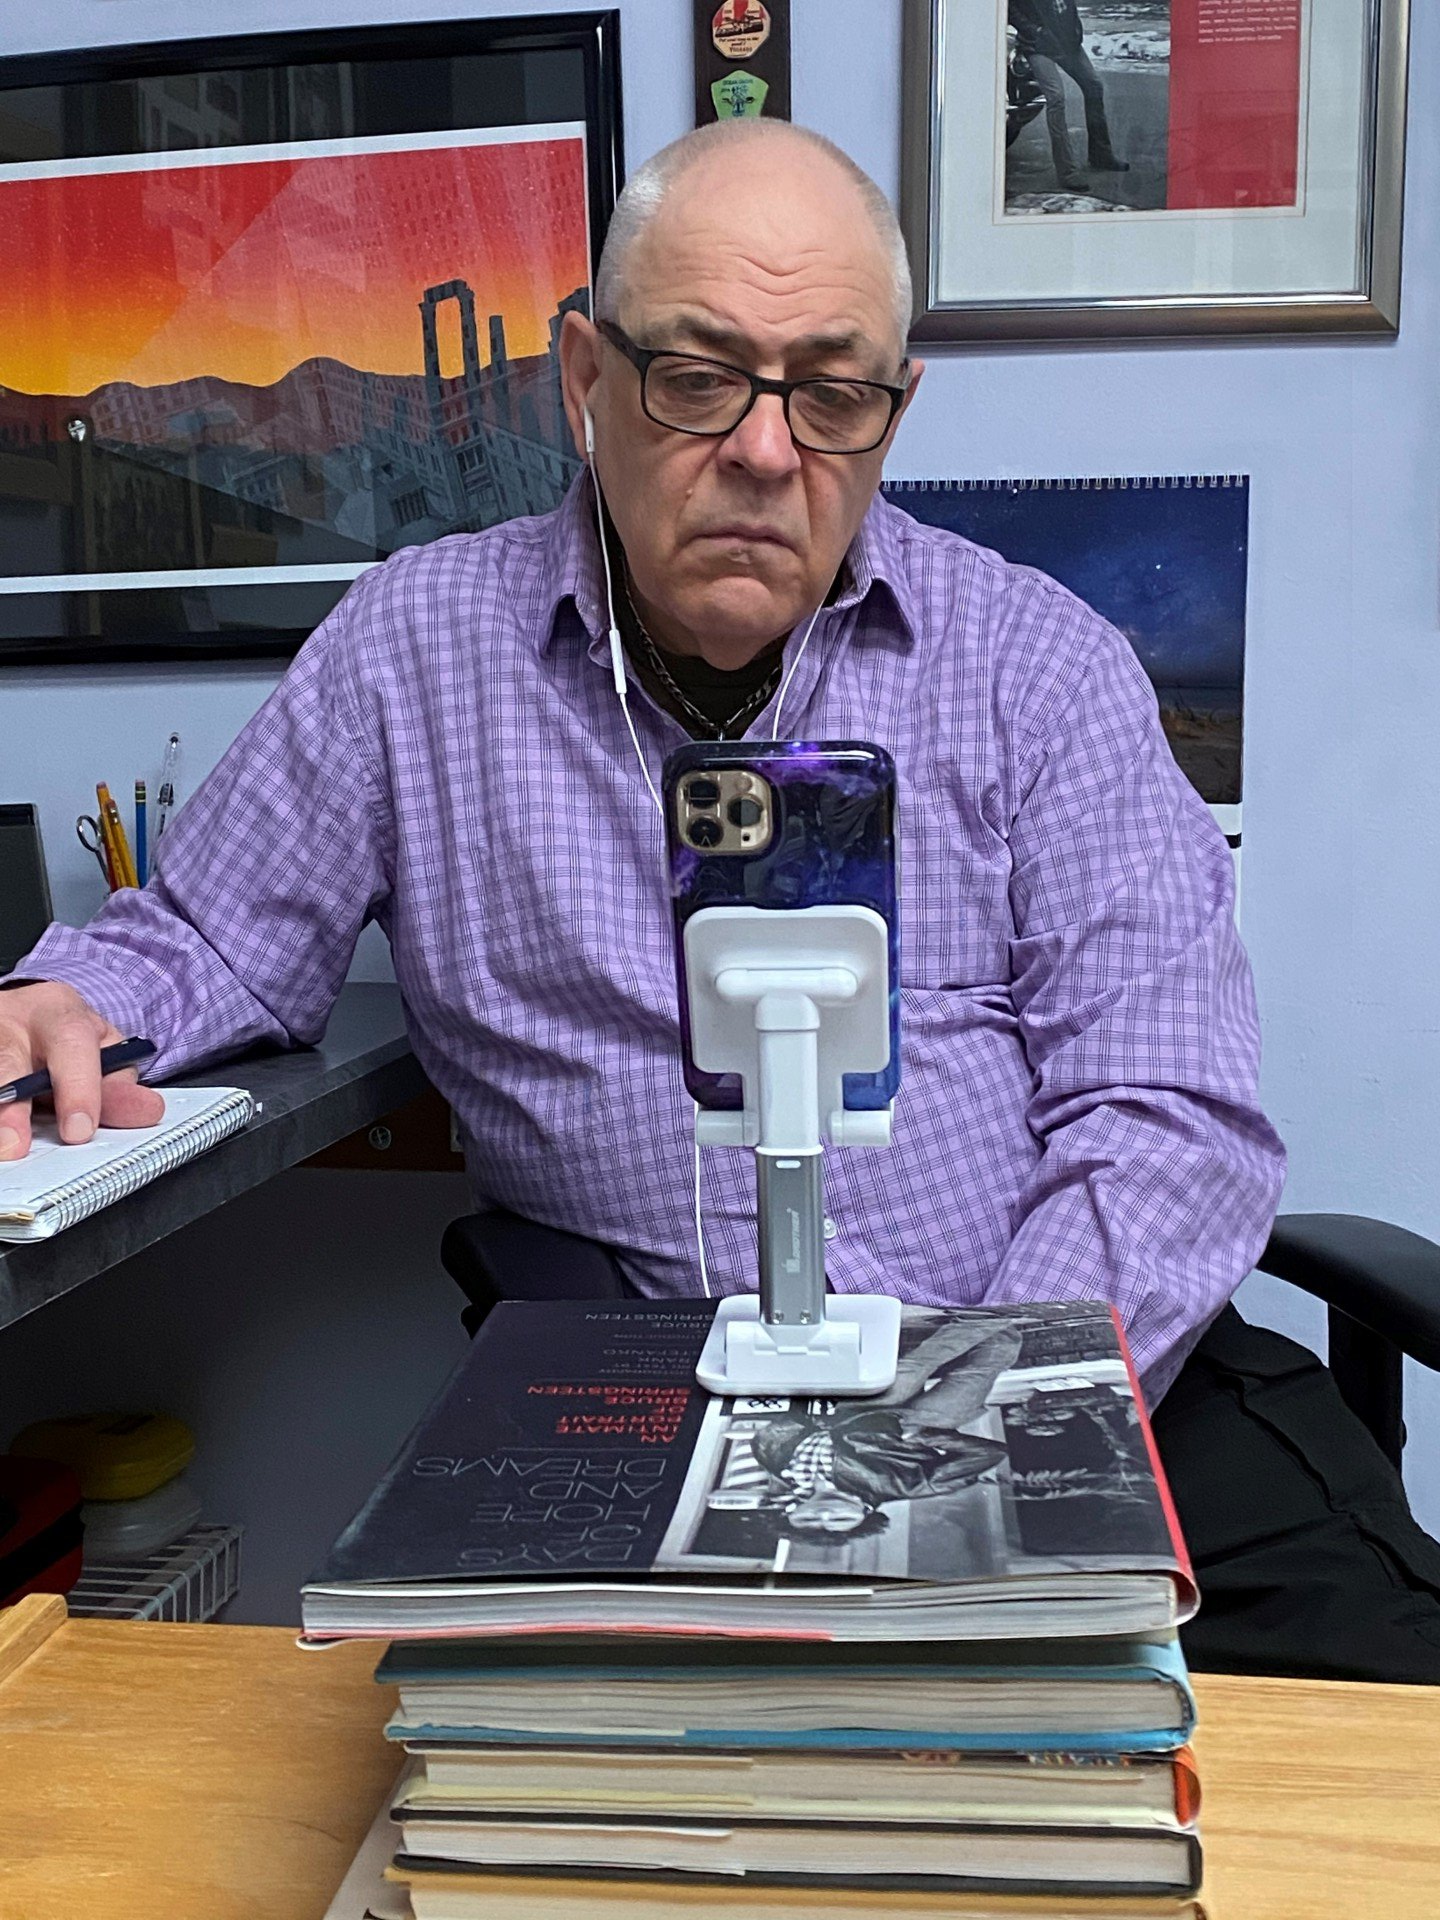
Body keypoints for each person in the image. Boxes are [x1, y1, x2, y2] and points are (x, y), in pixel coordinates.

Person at [0, 119, 1436, 1682]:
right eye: (697, 378)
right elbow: (215, 929)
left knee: (1388, 1763)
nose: (766, 451)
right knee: (556, 1814)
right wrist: (79, 995)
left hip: (1067, 1369)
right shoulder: (413, 655)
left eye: (832, 393)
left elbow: (1167, 1111)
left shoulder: (1040, 665)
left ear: (894, 412)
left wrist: (969, 1431)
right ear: (584, 380)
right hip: (650, 1395)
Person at [1008, 0, 1129, 192]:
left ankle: (1101, 155)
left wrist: (1076, 30)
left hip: (1067, 42)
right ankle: (1067, 173)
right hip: (1038, 45)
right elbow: (1010, 8)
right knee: (1056, 98)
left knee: (1094, 86)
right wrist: (1035, 31)